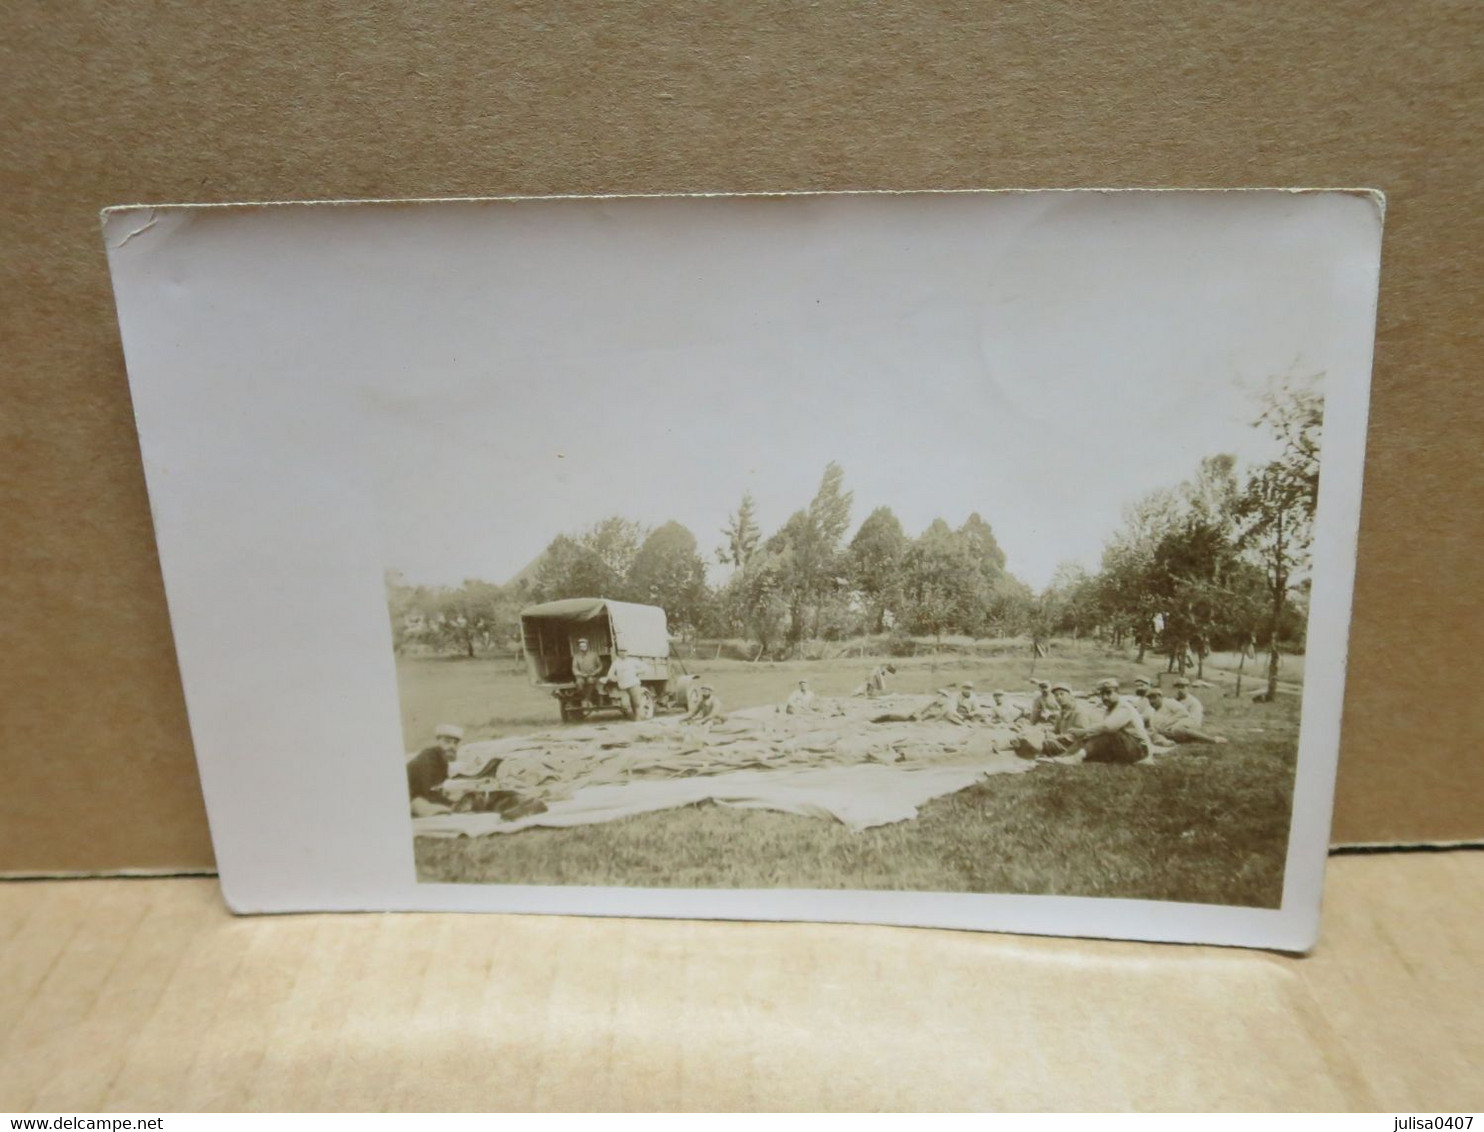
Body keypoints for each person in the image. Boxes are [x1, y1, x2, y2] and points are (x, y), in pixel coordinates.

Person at [1050, 679, 1152, 764]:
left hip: (1139, 750)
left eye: (1108, 693)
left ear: (1117, 693)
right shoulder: (1110, 708)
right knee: (1091, 736)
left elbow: (1108, 727)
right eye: (1102, 694)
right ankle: (1065, 756)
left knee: (1106, 734)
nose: (1105, 697)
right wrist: (1086, 733)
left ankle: (1075, 757)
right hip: (1125, 746)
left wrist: (1084, 731)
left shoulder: (1124, 708)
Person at [407, 723, 463, 816]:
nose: (452, 747)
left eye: (455, 743)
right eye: (447, 742)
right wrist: (450, 804)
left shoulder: (441, 760)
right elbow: (425, 793)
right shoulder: (428, 758)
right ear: (438, 742)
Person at [1158, 680, 1228, 744]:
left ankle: (1212, 740)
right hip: (1176, 722)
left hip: (1191, 722)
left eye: (1182, 687)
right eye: (1177, 687)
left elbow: (1193, 719)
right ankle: (1188, 738)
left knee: (1177, 729)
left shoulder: (1193, 702)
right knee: (1160, 728)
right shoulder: (1173, 700)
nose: (1180, 690)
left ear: (1188, 689)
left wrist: (1172, 723)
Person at [602, 649, 646, 719]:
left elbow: (645, 667)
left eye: (624, 651)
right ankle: (631, 715)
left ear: (627, 653)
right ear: (618, 653)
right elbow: (610, 674)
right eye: (620, 651)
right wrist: (615, 678)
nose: (622, 653)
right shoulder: (616, 663)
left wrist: (637, 671)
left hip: (633, 683)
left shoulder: (633, 661)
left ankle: (638, 717)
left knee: (636, 701)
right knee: (625, 703)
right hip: (623, 685)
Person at [570, 637, 605, 708]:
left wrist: (594, 673)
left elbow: (600, 666)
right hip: (581, 676)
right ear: (579, 647)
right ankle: (586, 699)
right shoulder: (576, 656)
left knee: (590, 681)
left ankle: (586, 700)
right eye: (581, 646)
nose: (583, 647)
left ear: (587, 646)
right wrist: (581, 674)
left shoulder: (594, 654)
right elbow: (574, 668)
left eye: (584, 646)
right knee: (579, 683)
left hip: (592, 675)